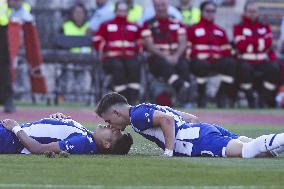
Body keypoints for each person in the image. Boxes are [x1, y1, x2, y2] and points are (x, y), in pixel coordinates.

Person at [96, 92, 284, 158]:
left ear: (116, 112)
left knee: (247, 151)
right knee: (260, 152)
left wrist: (169, 151)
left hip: (195, 139)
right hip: (200, 132)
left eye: (108, 121)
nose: (111, 125)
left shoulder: (136, 116)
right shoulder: (144, 109)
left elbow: (167, 120)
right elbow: (191, 117)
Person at [0, 113, 133, 155]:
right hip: (8, 131)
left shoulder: (85, 143)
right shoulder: (87, 135)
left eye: (114, 132)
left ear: (106, 144)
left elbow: (38, 149)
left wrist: (15, 128)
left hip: (9, 138)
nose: (111, 126)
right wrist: (57, 119)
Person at [186, 1, 237, 108]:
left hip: (215, 62)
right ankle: (201, 95)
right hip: (198, 62)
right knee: (201, 65)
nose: (210, 13)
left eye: (213, 11)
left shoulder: (220, 31)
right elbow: (187, 49)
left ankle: (221, 95)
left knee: (231, 64)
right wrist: (196, 55)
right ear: (202, 12)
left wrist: (218, 55)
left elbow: (227, 50)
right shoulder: (192, 29)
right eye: (208, 11)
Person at [141, 0, 191, 105]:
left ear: (167, 6)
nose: (160, 8)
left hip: (176, 57)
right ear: (154, 7)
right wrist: (166, 56)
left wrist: (176, 56)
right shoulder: (148, 24)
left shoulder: (176, 22)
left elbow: (183, 41)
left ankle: (184, 95)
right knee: (162, 64)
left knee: (184, 65)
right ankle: (181, 87)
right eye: (157, 6)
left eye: (163, 5)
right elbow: (149, 45)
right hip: (157, 59)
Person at [93, 1, 142, 105]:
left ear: (127, 12)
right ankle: (123, 98)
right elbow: (97, 40)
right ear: (115, 11)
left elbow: (140, 41)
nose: (122, 13)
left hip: (130, 57)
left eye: (124, 10)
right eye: (120, 10)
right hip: (111, 58)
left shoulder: (134, 26)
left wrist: (138, 48)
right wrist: (105, 49)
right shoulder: (106, 25)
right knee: (118, 67)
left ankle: (133, 99)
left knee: (134, 66)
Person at [233, 1, 280, 108]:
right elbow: (241, 46)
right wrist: (259, 43)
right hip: (245, 60)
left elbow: (268, 43)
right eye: (250, 11)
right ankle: (251, 100)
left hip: (262, 60)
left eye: (254, 11)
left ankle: (262, 99)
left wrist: (250, 42)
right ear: (245, 12)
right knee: (244, 69)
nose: (252, 13)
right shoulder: (238, 27)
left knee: (274, 68)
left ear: (258, 13)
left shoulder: (265, 26)